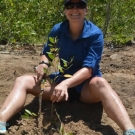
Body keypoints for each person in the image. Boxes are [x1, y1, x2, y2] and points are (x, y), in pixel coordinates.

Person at [0, 0, 135, 134]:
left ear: (86, 10)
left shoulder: (95, 34)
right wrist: (43, 64)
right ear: (65, 10)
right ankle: (1, 120)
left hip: (86, 88)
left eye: (80, 5)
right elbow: (47, 53)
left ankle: (129, 130)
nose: (75, 9)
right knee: (22, 81)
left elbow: (89, 69)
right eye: (70, 6)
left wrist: (66, 83)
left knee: (101, 83)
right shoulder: (58, 30)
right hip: (60, 84)